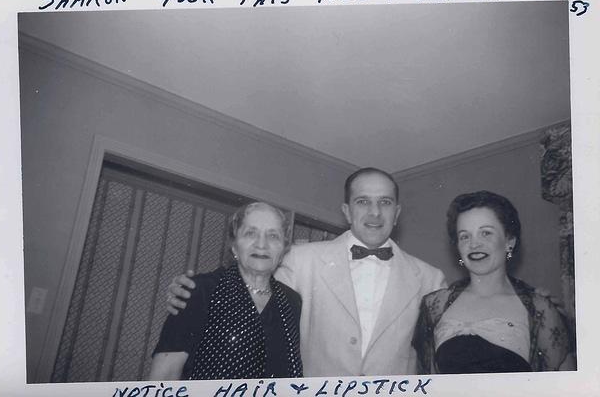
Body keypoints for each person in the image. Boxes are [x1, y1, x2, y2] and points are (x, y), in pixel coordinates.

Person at [167, 168, 446, 376]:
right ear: (346, 211)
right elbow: (248, 291)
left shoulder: (432, 279)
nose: (374, 213)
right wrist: (195, 292)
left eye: (384, 203)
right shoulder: (298, 260)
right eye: (363, 202)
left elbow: (436, 366)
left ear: (396, 213)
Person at [413, 190, 574, 373]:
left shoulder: (540, 309)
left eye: (486, 233)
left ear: (509, 242)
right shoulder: (435, 305)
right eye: (465, 236)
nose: (474, 244)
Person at [149, 202, 303, 380]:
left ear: (284, 249)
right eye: (250, 233)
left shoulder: (291, 302)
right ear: (234, 245)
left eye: (273, 236)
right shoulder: (200, 290)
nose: (262, 244)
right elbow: (164, 376)